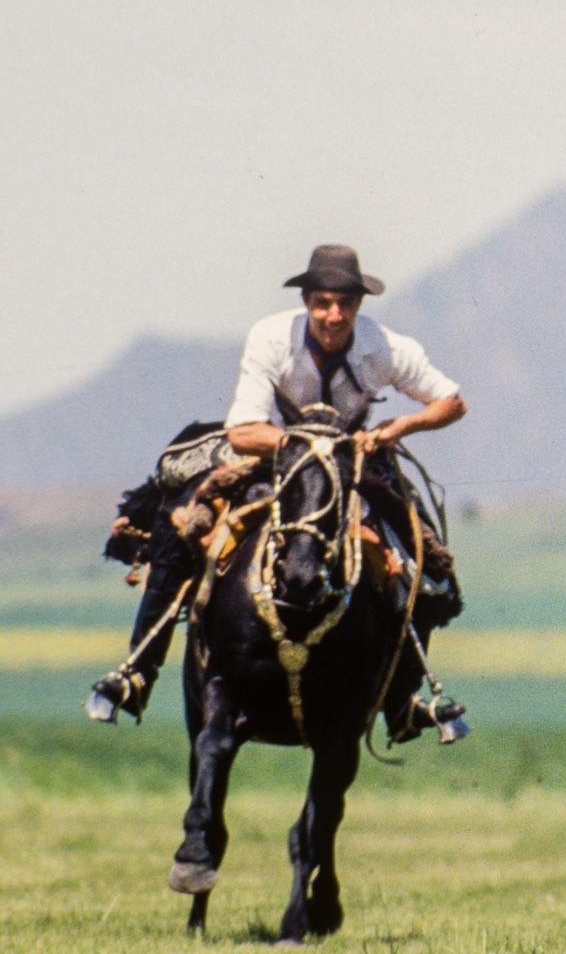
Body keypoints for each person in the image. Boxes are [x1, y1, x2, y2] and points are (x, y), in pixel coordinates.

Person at [88, 245, 469, 739]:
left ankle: (404, 698)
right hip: (273, 455)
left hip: (355, 464)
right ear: (308, 301)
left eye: (345, 304)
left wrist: (400, 427)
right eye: (324, 302)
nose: (334, 315)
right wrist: (307, 446)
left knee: (419, 559)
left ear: (358, 305)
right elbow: (244, 430)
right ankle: (139, 669)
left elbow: (452, 402)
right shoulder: (271, 336)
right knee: (183, 523)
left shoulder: (388, 347)